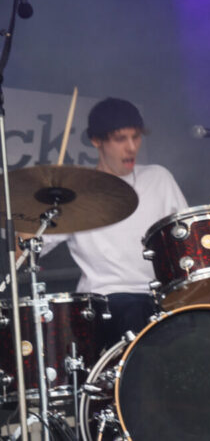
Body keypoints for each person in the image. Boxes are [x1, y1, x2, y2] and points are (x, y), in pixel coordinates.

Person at [41, 97, 188, 343]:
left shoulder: (158, 178)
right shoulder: (75, 192)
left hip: (159, 298)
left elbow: (186, 238)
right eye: (121, 139)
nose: (131, 147)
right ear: (96, 141)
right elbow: (28, 247)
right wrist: (30, 209)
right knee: (131, 311)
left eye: (136, 137)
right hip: (105, 303)